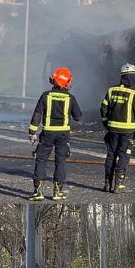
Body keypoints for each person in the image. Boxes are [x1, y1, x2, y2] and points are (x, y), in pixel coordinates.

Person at [28, 67, 82, 201]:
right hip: (63, 135)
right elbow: (78, 117)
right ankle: (57, 192)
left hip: (47, 134)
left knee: (41, 160)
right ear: (66, 83)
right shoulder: (71, 98)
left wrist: (32, 132)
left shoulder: (46, 96)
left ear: (54, 81)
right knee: (60, 162)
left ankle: (38, 191)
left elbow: (37, 114)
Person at [100, 63, 135, 193]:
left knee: (111, 154)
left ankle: (107, 184)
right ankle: (118, 184)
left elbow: (103, 109)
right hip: (128, 131)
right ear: (134, 76)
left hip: (112, 129)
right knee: (123, 155)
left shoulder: (111, 90)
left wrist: (106, 123)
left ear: (121, 76)